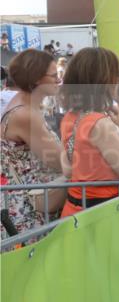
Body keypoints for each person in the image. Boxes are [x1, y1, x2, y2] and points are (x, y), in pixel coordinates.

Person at [59, 47, 119, 216]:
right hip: (102, 215)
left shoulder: (69, 117)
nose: (118, 80)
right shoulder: (99, 124)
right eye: (116, 74)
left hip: (74, 212)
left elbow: (68, 170)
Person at [0, 49, 68, 240]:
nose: (59, 80)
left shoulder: (24, 107)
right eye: (54, 76)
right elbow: (59, 162)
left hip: (29, 204)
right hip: (30, 212)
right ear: (36, 79)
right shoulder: (26, 114)